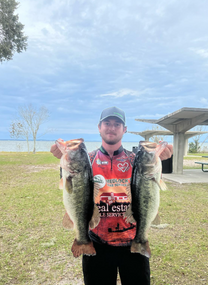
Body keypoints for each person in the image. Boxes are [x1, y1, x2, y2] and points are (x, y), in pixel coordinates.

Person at [50, 106, 173, 285]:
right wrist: (62, 160)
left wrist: (164, 155)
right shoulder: (87, 158)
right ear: (99, 127)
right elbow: (72, 187)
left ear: (124, 129)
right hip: (97, 243)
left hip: (132, 241)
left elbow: (153, 180)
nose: (111, 127)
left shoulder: (136, 159)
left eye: (117, 124)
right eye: (107, 123)